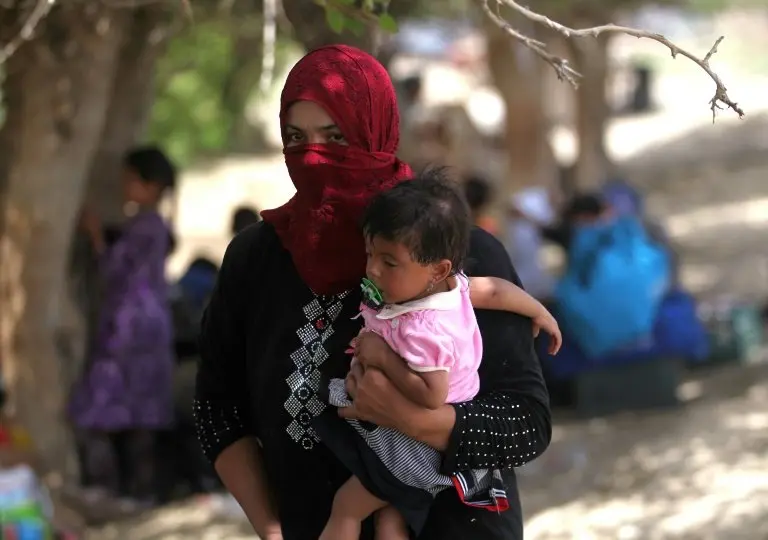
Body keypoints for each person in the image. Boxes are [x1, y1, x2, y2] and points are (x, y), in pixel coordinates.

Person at [194, 45, 552, 540]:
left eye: (336, 136)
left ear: (376, 133)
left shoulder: (451, 249)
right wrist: (272, 528)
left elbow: (525, 423)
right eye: (296, 138)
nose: (314, 156)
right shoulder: (256, 260)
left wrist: (408, 416)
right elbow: (218, 407)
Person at [316, 170, 560, 540]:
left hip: (416, 448)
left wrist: (383, 357)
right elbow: (494, 290)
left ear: (438, 269)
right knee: (392, 518)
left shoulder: (423, 330)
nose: (372, 270)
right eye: (370, 254)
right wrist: (539, 312)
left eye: (389, 262)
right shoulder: (452, 290)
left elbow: (431, 394)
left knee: (346, 509)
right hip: (430, 449)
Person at [69, 145, 176, 508]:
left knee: (99, 407)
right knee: (138, 414)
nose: (124, 186)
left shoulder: (147, 227)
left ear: (151, 186)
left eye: (131, 180)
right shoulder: (150, 226)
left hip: (129, 329)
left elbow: (114, 272)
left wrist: (96, 236)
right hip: (146, 328)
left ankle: (110, 488)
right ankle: (138, 491)